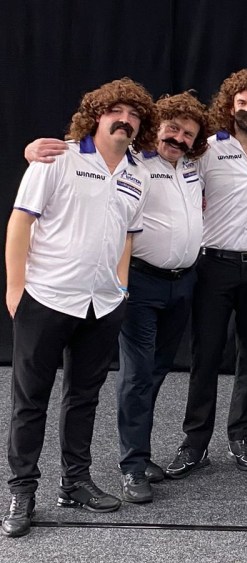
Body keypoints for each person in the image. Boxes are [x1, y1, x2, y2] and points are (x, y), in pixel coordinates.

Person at [22, 93, 210, 503]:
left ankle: (131, 458)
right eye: (172, 129)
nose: (178, 138)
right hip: (134, 284)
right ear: (155, 128)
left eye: (188, 134)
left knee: (155, 372)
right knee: (136, 375)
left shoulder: (194, 167)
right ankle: (131, 467)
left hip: (175, 284)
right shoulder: (135, 160)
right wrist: (31, 149)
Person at [1, 78, 157, 537]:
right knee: (30, 401)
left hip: (103, 304)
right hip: (47, 297)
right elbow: (20, 222)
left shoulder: (138, 174)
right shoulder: (57, 158)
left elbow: (128, 235)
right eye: (117, 111)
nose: (125, 119)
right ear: (97, 114)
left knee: (83, 398)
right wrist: (15, 290)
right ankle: (22, 491)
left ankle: (75, 483)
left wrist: (122, 287)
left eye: (134, 115)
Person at [166, 68, 247, 477]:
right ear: (229, 107)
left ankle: (241, 434)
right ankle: (195, 442)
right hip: (216, 266)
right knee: (205, 356)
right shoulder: (206, 149)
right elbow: (166, 165)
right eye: (241, 103)